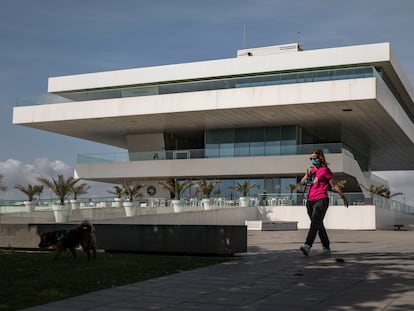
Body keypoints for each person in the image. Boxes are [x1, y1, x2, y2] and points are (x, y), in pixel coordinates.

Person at [299, 149, 349, 256]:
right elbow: (302, 181)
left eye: (314, 158)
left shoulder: (325, 170)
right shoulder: (310, 170)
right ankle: (326, 246)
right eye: (311, 158)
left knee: (314, 223)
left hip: (321, 199)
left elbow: (334, 185)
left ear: (320, 159)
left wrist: (343, 196)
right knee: (318, 224)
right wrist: (307, 177)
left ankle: (307, 245)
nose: (312, 160)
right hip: (310, 200)